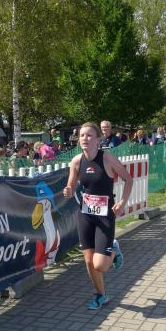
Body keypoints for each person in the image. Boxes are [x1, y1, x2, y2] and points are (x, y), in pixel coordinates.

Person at [63, 122, 132, 310]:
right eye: (82, 135)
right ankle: (101, 295)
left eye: (89, 135)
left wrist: (122, 202)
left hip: (105, 215)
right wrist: (68, 190)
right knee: (88, 260)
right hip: (85, 214)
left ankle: (114, 250)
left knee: (100, 265)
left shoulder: (107, 158)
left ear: (98, 139)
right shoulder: (76, 161)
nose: (84, 138)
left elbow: (128, 179)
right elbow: (71, 185)